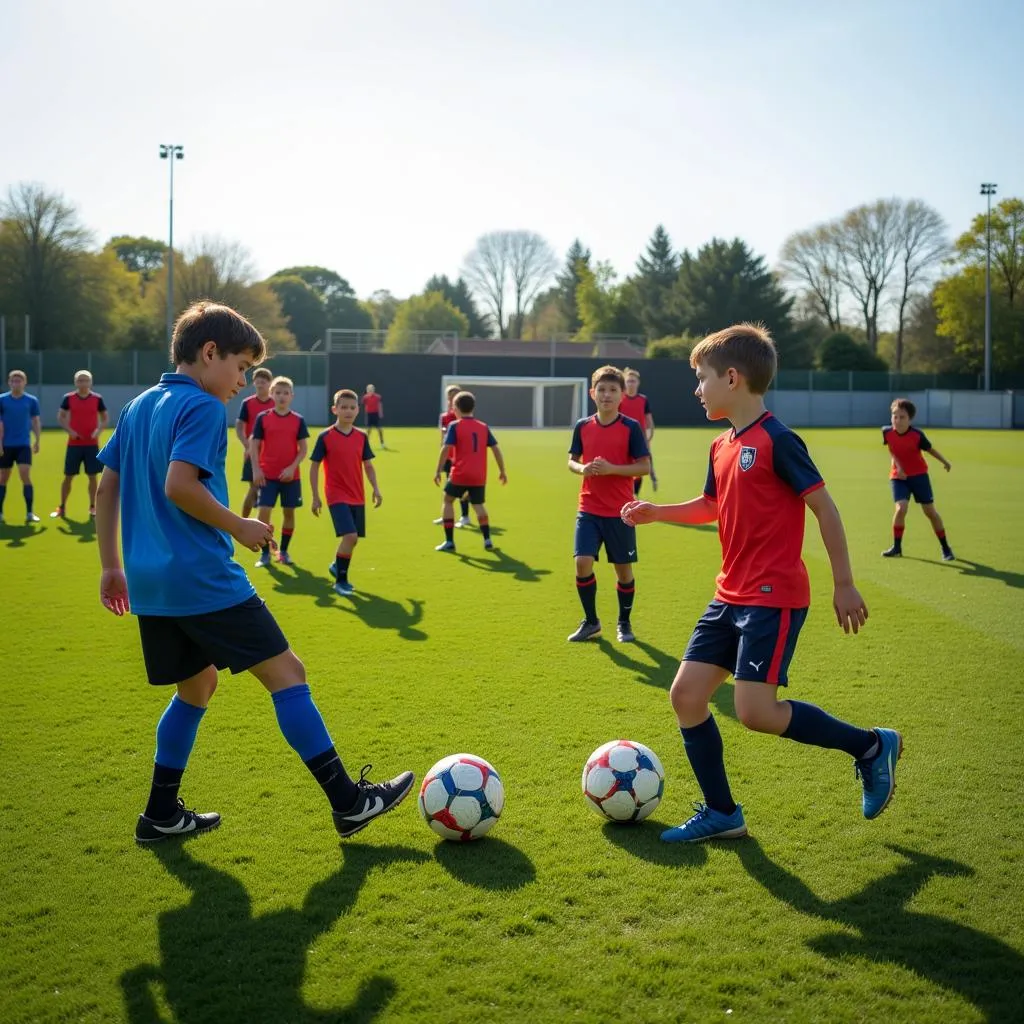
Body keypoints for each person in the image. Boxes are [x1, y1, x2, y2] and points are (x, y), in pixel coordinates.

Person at [94, 300, 413, 844]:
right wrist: (239, 524)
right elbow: (179, 485)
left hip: (151, 584)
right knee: (288, 673)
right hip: (202, 578)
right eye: (240, 367)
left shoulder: (138, 405)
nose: (244, 381)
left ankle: (160, 814)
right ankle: (350, 802)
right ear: (209, 352)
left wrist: (111, 567)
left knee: (197, 686)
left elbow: (106, 487)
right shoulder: (198, 406)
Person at [621, 322, 901, 844]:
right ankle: (723, 812)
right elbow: (710, 505)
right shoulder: (721, 446)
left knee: (756, 712)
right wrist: (657, 511)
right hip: (728, 594)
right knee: (686, 696)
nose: (696, 389)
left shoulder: (777, 440)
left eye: (701, 378)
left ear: (732, 378)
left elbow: (824, 507)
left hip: (773, 598)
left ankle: (869, 745)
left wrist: (844, 583)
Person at [567, 365, 650, 644]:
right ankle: (591, 622)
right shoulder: (582, 426)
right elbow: (571, 460)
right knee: (582, 563)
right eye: (601, 390)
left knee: (623, 571)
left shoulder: (631, 427)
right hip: (588, 508)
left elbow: (644, 467)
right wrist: (583, 469)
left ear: (622, 395)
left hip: (621, 512)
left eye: (613, 390)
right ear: (592, 393)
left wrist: (612, 468)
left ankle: (624, 623)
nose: (606, 395)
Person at [310, 389, 382, 597]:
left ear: (358, 410)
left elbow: (368, 465)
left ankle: (337, 566)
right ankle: (341, 582)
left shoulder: (361, 436)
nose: (348, 411)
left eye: (352, 407)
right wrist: (315, 496)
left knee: (353, 539)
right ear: (335, 409)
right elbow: (314, 466)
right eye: (343, 407)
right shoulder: (325, 437)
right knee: (350, 536)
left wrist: (376, 488)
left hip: (357, 495)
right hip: (335, 494)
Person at [881, 398, 954, 561]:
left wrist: (945, 462)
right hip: (898, 477)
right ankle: (897, 547)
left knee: (930, 512)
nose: (897, 420)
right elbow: (892, 450)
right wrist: (897, 467)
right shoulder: (886, 432)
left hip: (919, 476)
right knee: (900, 509)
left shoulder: (917, 435)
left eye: (902, 417)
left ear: (910, 419)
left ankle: (945, 547)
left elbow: (930, 450)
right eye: (894, 416)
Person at [433, 391, 506, 553]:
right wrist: (502, 471)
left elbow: (446, 449)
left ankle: (449, 541)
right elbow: (496, 449)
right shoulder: (483, 426)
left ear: (456, 408)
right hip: (479, 475)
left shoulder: (455, 426)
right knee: (478, 504)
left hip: (460, 473)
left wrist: (438, 470)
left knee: (448, 500)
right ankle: (487, 539)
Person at [251, 377, 308, 568]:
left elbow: (303, 449)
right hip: (267, 475)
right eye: (278, 393)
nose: (282, 396)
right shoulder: (263, 418)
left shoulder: (298, 420)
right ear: (271, 394)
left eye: (285, 393)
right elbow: (254, 444)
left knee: (289, 513)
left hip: (291, 477)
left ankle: (283, 551)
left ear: (292, 396)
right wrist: (256, 469)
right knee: (264, 512)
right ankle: (266, 553)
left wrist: (292, 467)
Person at [50, 370, 109, 519]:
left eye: (86, 380)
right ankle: (62, 507)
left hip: (91, 444)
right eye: (80, 380)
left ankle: (93, 507)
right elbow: (61, 416)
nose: (83, 383)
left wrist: (98, 431)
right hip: (74, 445)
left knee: (92, 477)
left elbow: (105, 418)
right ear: (76, 382)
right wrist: (70, 431)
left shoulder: (97, 399)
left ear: (91, 382)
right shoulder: (68, 398)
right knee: (68, 476)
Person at [0, 369, 42, 524]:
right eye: (13, 380)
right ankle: (0, 513)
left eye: (19, 380)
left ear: (24, 383)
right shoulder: (2, 400)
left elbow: (35, 421)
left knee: (25, 474)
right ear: (9, 383)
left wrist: (37, 440)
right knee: (3, 478)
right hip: (5, 445)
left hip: (23, 444)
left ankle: (30, 512)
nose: (16, 383)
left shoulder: (31, 401)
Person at [235, 366, 275, 519]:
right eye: (257, 382)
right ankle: (243, 521)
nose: (260, 385)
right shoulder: (247, 403)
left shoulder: (275, 403)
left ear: (270, 383)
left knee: (264, 492)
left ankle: (258, 527)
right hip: (252, 454)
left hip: (270, 455)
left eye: (263, 382)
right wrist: (247, 446)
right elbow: (239, 427)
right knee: (253, 488)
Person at [434, 383, 471, 527]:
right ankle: (447, 515)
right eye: (449, 396)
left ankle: (465, 516)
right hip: (448, 456)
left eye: (454, 396)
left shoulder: (462, 416)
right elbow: (442, 437)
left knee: (462, 487)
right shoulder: (444, 416)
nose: (451, 399)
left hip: (460, 457)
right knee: (448, 487)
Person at [619, 367, 657, 493]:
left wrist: (649, 435)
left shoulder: (643, 399)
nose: (631, 383)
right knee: (624, 464)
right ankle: (624, 491)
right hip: (623, 438)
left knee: (640, 466)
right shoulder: (620, 398)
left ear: (638, 382)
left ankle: (635, 494)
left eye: (633, 381)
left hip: (639, 438)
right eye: (628, 381)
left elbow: (649, 419)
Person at [360, 384, 385, 448]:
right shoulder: (365, 397)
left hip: (376, 414)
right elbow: (362, 405)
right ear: (367, 390)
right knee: (368, 430)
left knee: (379, 429)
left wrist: (380, 413)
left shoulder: (378, 397)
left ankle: (382, 444)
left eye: (372, 389)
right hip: (369, 415)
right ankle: (366, 445)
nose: (370, 390)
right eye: (369, 389)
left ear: (374, 389)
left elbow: (380, 405)